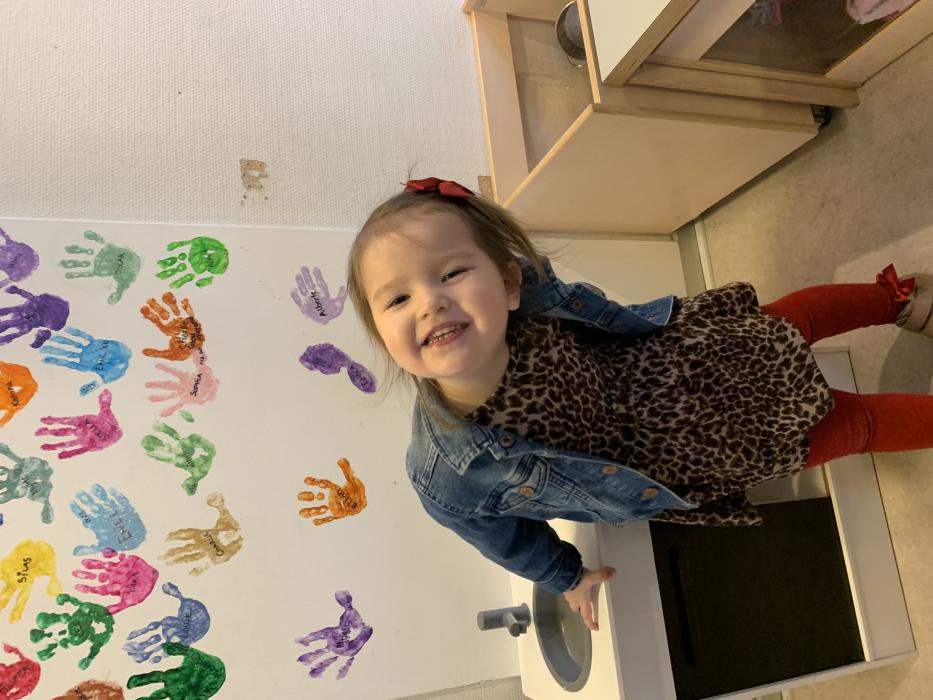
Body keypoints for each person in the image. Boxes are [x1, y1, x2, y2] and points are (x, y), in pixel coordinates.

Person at [346, 176, 933, 632]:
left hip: (673, 357)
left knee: (788, 321)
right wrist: (566, 576)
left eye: (451, 273)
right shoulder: (446, 477)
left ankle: (895, 300)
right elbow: (504, 539)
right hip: (687, 454)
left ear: (507, 284)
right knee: (852, 426)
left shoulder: (529, 302)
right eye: (397, 299)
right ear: (381, 337)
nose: (430, 303)